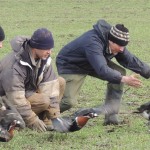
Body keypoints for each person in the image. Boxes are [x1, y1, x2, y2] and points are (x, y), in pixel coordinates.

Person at [56, 19, 150, 125]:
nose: (122, 50)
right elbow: (102, 70)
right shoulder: (93, 42)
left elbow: (130, 60)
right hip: (72, 64)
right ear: (111, 41)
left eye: (124, 46)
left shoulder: (117, 41)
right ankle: (43, 116)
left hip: (93, 62)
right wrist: (124, 79)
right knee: (68, 101)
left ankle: (111, 117)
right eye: (120, 46)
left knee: (119, 72)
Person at [0, 28, 66, 132]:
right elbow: (16, 99)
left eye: (50, 48)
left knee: (60, 82)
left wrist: (55, 116)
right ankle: (16, 122)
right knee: (43, 100)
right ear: (35, 48)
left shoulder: (44, 59)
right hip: (6, 101)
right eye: (47, 49)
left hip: (26, 92)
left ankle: (47, 121)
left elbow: (51, 88)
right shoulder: (15, 65)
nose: (50, 52)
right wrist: (32, 120)